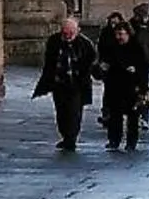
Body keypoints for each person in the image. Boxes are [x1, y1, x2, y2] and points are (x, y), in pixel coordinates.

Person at [31, 12, 99, 150]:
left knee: (74, 112)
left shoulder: (85, 44)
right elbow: (49, 62)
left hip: (77, 83)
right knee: (61, 111)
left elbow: (91, 61)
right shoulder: (54, 41)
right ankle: (65, 135)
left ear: (77, 31)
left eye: (71, 32)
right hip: (59, 83)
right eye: (65, 32)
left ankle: (71, 138)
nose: (67, 35)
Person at [96, 15, 149, 151]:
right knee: (115, 116)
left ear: (128, 34)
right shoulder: (112, 47)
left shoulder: (136, 48)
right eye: (117, 34)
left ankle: (131, 142)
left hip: (132, 87)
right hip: (115, 86)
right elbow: (102, 65)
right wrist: (102, 69)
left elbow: (145, 67)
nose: (119, 37)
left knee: (133, 117)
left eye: (121, 34)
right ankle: (114, 140)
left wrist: (137, 74)